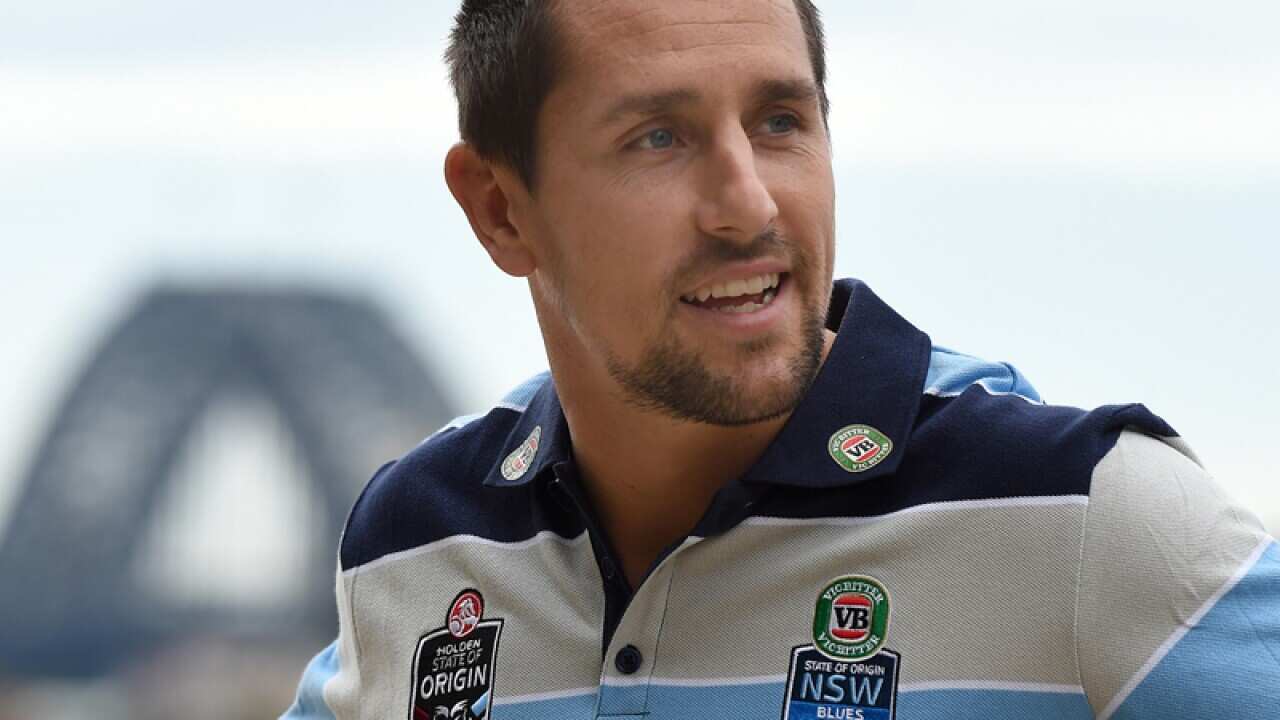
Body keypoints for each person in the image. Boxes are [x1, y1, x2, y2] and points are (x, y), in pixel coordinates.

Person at [283, 1, 1279, 718]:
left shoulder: (1084, 515)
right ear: (501, 210)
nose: (749, 205)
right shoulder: (415, 545)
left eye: (778, 123)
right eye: (658, 137)